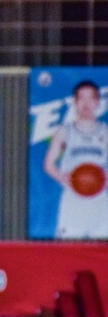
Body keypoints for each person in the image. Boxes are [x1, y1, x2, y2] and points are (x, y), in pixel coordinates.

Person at [44, 80, 108, 240]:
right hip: (73, 202)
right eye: (81, 98)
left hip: (100, 201)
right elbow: (48, 164)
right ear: (75, 102)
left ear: (97, 102)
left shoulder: (105, 132)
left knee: (101, 250)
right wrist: (63, 177)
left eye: (91, 98)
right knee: (68, 249)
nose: (86, 103)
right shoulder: (65, 131)